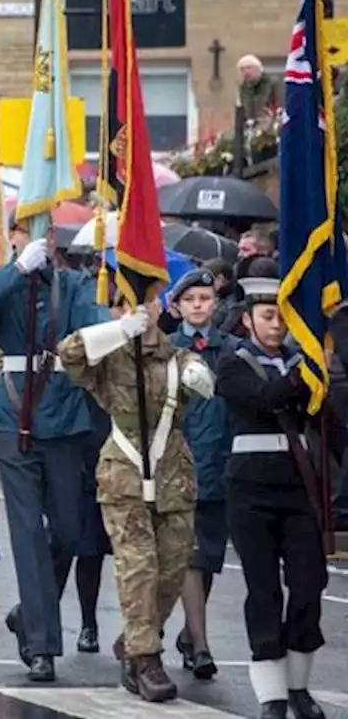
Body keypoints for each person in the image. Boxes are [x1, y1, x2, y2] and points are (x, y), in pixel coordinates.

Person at [0, 232, 106, 682]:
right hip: (12, 415)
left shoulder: (73, 286)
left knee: (67, 531)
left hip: (63, 415)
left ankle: (29, 613)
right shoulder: (6, 281)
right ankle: (42, 645)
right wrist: (17, 269)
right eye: (23, 236)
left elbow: (95, 327)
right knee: (26, 532)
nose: (34, 243)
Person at [58, 287, 213, 702]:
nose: (141, 310)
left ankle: (134, 637)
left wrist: (201, 377)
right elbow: (68, 354)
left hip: (173, 475)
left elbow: (202, 378)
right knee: (138, 565)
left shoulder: (178, 357)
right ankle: (145, 659)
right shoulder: (108, 359)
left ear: (161, 306)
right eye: (129, 303)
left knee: (173, 568)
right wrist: (116, 330)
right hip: (124, 474)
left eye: (147, 301)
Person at [214, 269, 329, 719]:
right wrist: (305, 376)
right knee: (263, 590)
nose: (277, 325)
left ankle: (299, 686)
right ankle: (272, 696)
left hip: (297, 487)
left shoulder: (303, 362)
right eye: (267, 316)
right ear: (248, 320)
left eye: (283, 317)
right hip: (249, 490)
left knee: (308, 585)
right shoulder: (231, 361)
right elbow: (263, 399)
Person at [166, 268, 234, 680]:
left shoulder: (230, 350)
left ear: (215, 303)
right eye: (190, 300)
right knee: (190, 556)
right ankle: (202, 646)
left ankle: (190, 634)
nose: (198, 306)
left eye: (205, 299)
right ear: (176, 306)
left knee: (207, 558)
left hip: (221, 464)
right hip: (180, 462)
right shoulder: (168, 349)